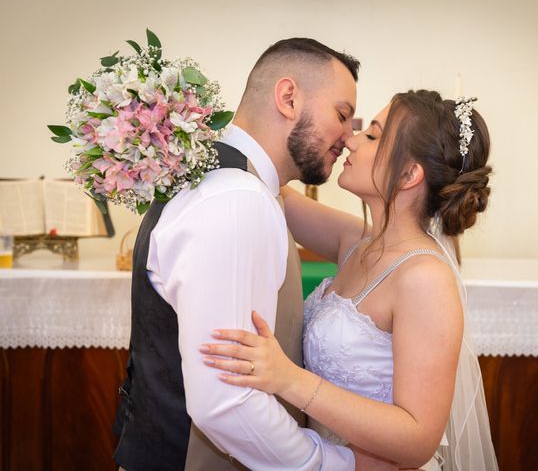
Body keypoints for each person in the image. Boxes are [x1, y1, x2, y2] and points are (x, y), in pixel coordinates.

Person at [198, 90, 499, 470]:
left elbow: (417, 437)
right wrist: (186, 128)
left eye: (372, 135)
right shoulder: (357, 243)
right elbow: (272, 182)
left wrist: (289, 380)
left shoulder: (425, 278)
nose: (351, 140)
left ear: (409, 174)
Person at [112, 38, 365, 470]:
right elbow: (228, 401)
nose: (349, 137)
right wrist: (334, 464)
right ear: (288, 98)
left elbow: (355, 238)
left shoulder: (232, 178)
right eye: (342, 116)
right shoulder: (235, 198)